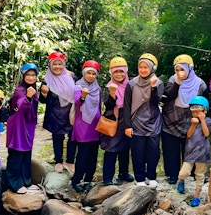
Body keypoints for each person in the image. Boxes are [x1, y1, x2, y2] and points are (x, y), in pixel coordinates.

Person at [162, 55, 209, 185]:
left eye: (182, 69)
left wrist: (203, 116)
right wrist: (178, 81)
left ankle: (195, 174)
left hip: (191, 121)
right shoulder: (172, 80)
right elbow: (170, 96)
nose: (179, 72)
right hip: (171, 120)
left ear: (190, 68)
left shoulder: (200, 84)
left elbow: (206, 102)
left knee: (192, 148)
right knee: (171, 149)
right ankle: (172, 174)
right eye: (177, 69)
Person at [123, 53, 163, 187]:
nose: (143, 70)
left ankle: (151, 176)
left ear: (152, 68)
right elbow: (126, 106)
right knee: (137, 152)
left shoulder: (158, 83)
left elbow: (155, 101)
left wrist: (153, 87)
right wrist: (127, 125)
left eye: (146, 67)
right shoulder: (131, 84)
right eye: (141, 67)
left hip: (153, 123)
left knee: (153, 151)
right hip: (136, 123)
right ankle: (139, 178)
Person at [39, 51, 77, 174]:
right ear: (50, 65)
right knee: (57, 138)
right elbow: (42, 100)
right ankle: (58, 161)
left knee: (73, 137)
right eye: (54, 64)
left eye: (60, 64)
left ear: (63, 64)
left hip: (70, 112)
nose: (57, 67)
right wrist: (44, 93)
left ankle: (70, 161)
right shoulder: (46, 80)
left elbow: (78, 90)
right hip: (55, 113)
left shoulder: (71, 76)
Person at [5, 63, 39, 194]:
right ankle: (15, 183)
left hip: (29, 125)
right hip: (18, 125)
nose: (31, 77)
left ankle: (26, 181)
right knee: (16, 152)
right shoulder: (20, 90)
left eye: (33, 75)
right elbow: (20, 107)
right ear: (23, 76)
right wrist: (28, 97)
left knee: (26, 152)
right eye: (28, 75)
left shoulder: (33, 88)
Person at [100, 56, 134, 185]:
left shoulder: (130, 86)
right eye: (116, 72)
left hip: (127, 120)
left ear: (125, 72)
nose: (119, 74)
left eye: (121, 71)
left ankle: (123, 173)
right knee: (111, 149)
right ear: (111, 73)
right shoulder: (109, 87)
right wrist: (113, 94)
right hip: (113, 120)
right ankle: (107, 177)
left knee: (125, 148)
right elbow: (108, 105)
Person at [70, 60, 102, 192]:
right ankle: (76, 180)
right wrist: (82, 96)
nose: (91, 76)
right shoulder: (78, 86)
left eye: (93, 74)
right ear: (84, 73)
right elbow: (77, 104)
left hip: (95, 124)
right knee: (82, 154)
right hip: (82, 124)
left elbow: (99, 106)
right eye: (88, 73)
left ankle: (89, 179)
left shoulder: (98, 88)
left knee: (93, 154)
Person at [177, 96, 211, 207]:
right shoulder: (189, 120)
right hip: (190, 152)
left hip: (202, 153)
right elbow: (188, 135)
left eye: (198, 111)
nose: (196, 113)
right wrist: (193, 124)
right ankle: (181, 181)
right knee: (184, 172)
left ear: (204, 110)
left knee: (200, 175)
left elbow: (206, 134)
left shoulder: (208, 121)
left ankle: (196, 196)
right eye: (193, 110)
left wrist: (202, 121)